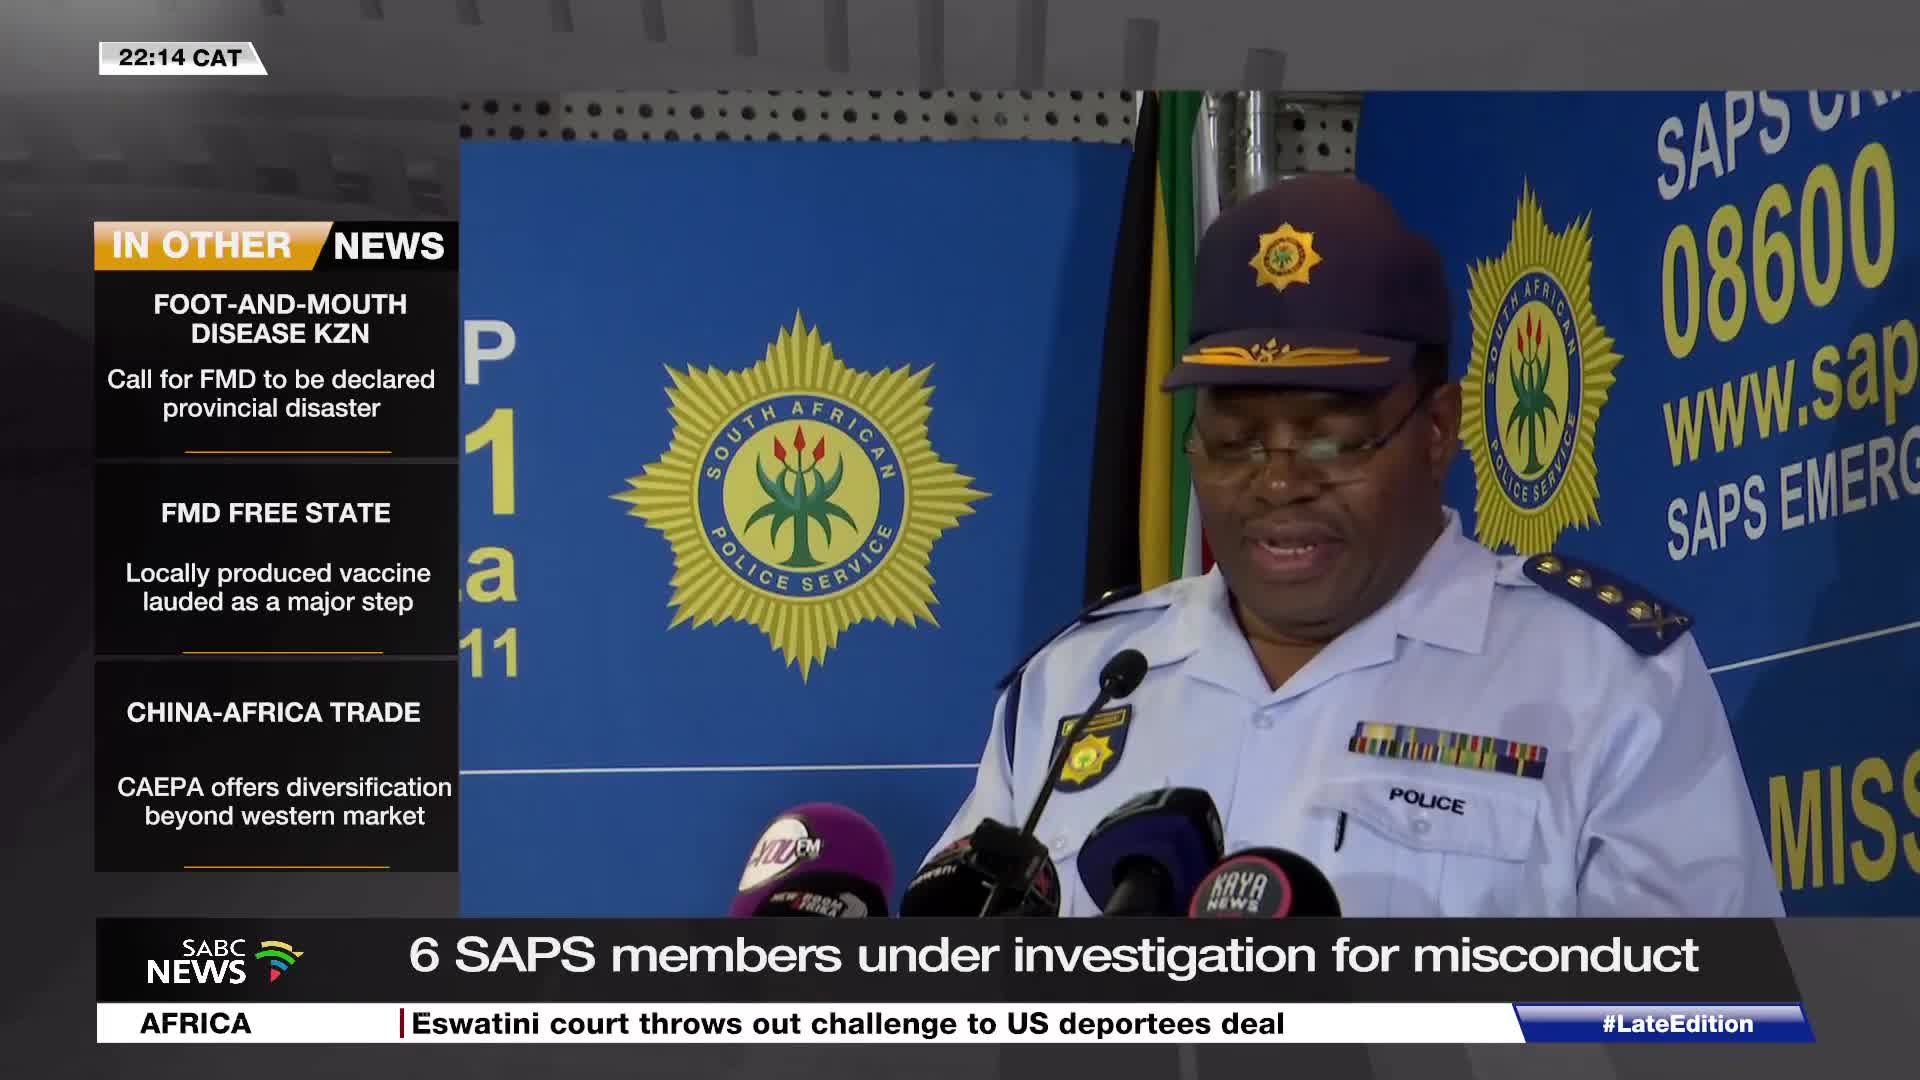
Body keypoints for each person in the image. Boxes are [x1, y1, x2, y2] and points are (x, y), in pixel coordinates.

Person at [927, 174, 1783, 917]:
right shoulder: (1080, 684)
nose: (1278, 482)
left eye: (1331, 439)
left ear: (1438, 428)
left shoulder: (1600, 679)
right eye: (1235, 440)